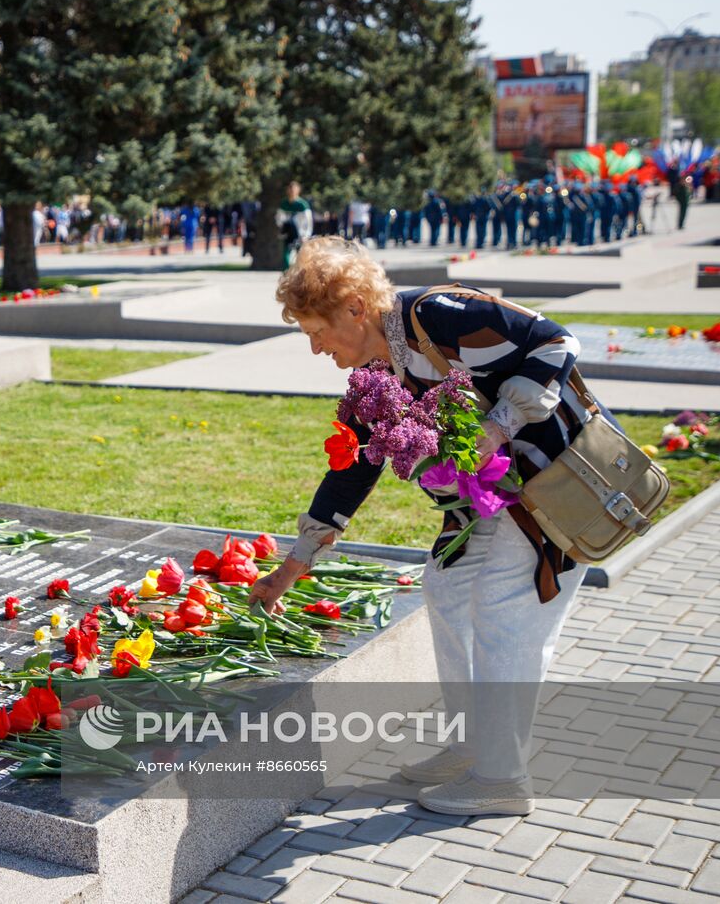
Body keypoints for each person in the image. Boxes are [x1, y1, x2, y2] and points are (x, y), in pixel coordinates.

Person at [258, 236, 602, 816]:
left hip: (552, 487)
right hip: (488, 502)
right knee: (445, 588)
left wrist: (498, 424)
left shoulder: (438, 316)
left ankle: (500, 777)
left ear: (354, 309)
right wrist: (291, 569)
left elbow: (558, 340)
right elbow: (351, 472)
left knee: (502, 609)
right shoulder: (375, 376)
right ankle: (472, 747)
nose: (315, 348)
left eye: (316, 330)